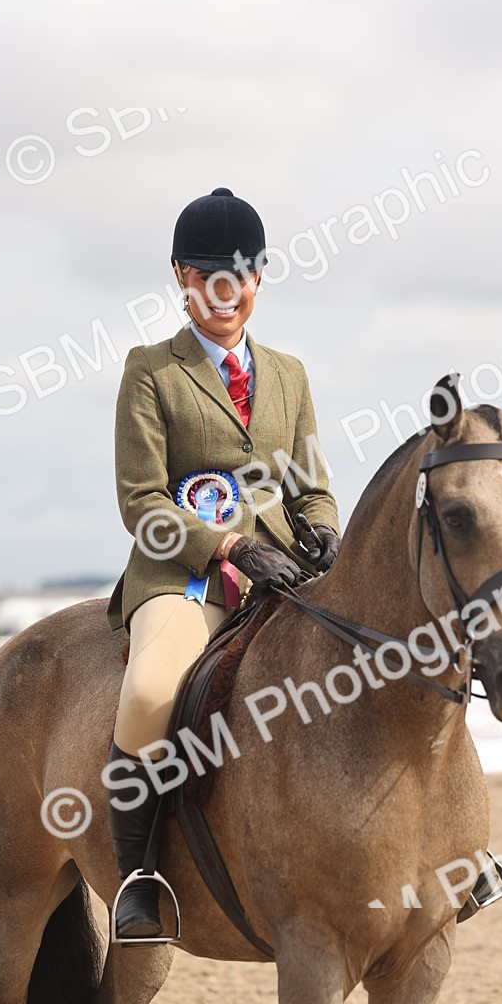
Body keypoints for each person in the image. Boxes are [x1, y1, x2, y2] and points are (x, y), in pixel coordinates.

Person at [105, 187, 341, 940]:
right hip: (186, 577)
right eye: (208, 273)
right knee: (148, 689)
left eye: (238, 273)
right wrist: (232, 546)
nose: (224, 289)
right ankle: (138, 879)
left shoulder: (289, 373)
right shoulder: (151, 371)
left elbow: (311, 486)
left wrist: (325, 531)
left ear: (258, 279)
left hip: (284, 576)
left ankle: (446, 853)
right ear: (182, 276)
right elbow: (141, 501)